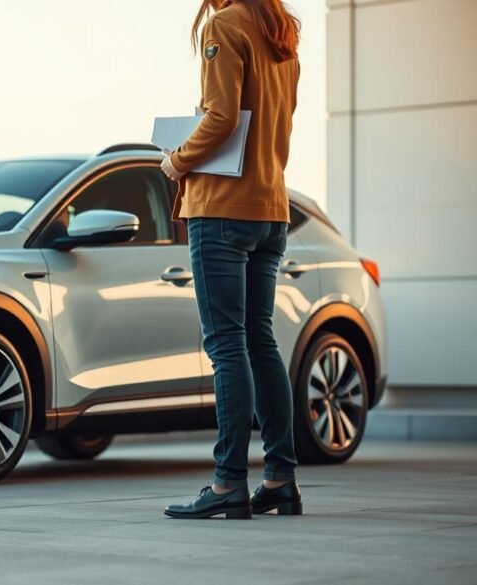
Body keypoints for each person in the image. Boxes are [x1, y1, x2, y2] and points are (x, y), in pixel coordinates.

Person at [161, 0, 303, 520]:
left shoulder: (224, 25)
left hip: (222, 209)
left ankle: (227, 483)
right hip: (271, 208)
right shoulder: (282, 32)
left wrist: (175, 161)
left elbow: (220, 119)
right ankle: (280, 479)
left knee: (226, 343)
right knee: (259, 341)